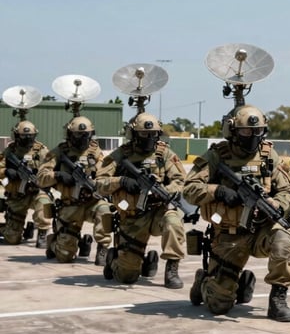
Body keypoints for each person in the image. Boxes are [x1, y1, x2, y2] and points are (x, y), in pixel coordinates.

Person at [183, 105, 290, 320]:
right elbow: (189, 189)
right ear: (233, 131)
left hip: (260, 231)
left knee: (284, 239)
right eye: (247, 131)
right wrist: (217, 190)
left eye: (259, 131)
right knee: (218, 306)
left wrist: (278, 205)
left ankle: (278, 298)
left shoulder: (268, 154)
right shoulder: (217, 155)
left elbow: (288, 189)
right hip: (229, 236)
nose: (254, 136)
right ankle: (205, 280)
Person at [95, 112, 186, 289]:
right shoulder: (121, 154)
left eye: (154, 134)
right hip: (132, 217)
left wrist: (165, 190)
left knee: (174, 220)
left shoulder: (164, 154)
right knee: (127, 277)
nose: (150, 138)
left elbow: (181, 181)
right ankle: (115, 259)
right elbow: (99, 183)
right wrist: (120, 181)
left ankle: (172, 268)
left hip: (158, 212)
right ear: (134, 134)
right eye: (145, 134)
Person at [37, 116, 114, 264]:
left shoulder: (96, 152)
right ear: (70, 134)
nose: (82, 138)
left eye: (86, 134)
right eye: (78, 134)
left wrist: (94, 183)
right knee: (64, 256)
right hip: (69, 205)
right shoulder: (59, 152)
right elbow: (40, 178)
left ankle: (103, 248)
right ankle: (55, 242)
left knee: (106, 210)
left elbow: (105, 176)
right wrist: (58, 175)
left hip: (92, 202)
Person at [0, 120, 54, 247]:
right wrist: (6, 171)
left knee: (44, 202)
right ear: (17, 136)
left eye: (30, 136)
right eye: (24, 136)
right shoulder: (10, 151)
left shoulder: (41, 151)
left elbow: (51, 168)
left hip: (35, 192)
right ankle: (14, 228)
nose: (27, 138)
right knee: (12, 239)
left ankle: (43, 232)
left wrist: (42, 179)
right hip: (17, 195)